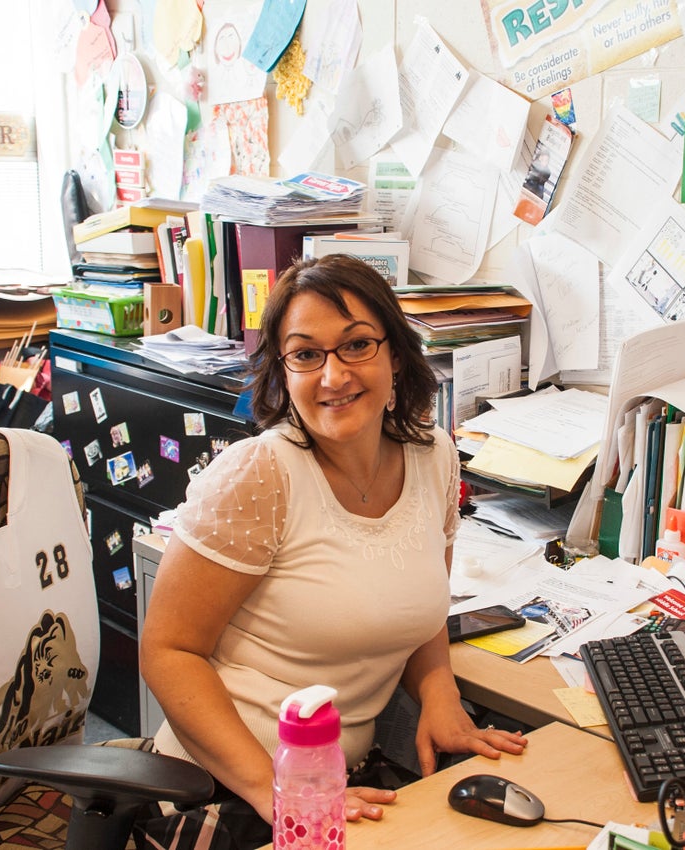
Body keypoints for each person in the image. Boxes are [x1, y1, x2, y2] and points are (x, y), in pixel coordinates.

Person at [139, 255, 527, 847]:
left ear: (395, 353)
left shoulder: (435, 457)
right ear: (283, 371)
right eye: (305, 354)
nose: (333, 375)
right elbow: (168, 652)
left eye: (356, 345)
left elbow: (418, 603)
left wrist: (440, 692)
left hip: (342, 784)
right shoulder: (260, 474)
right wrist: (277, 791)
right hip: (229, 788)